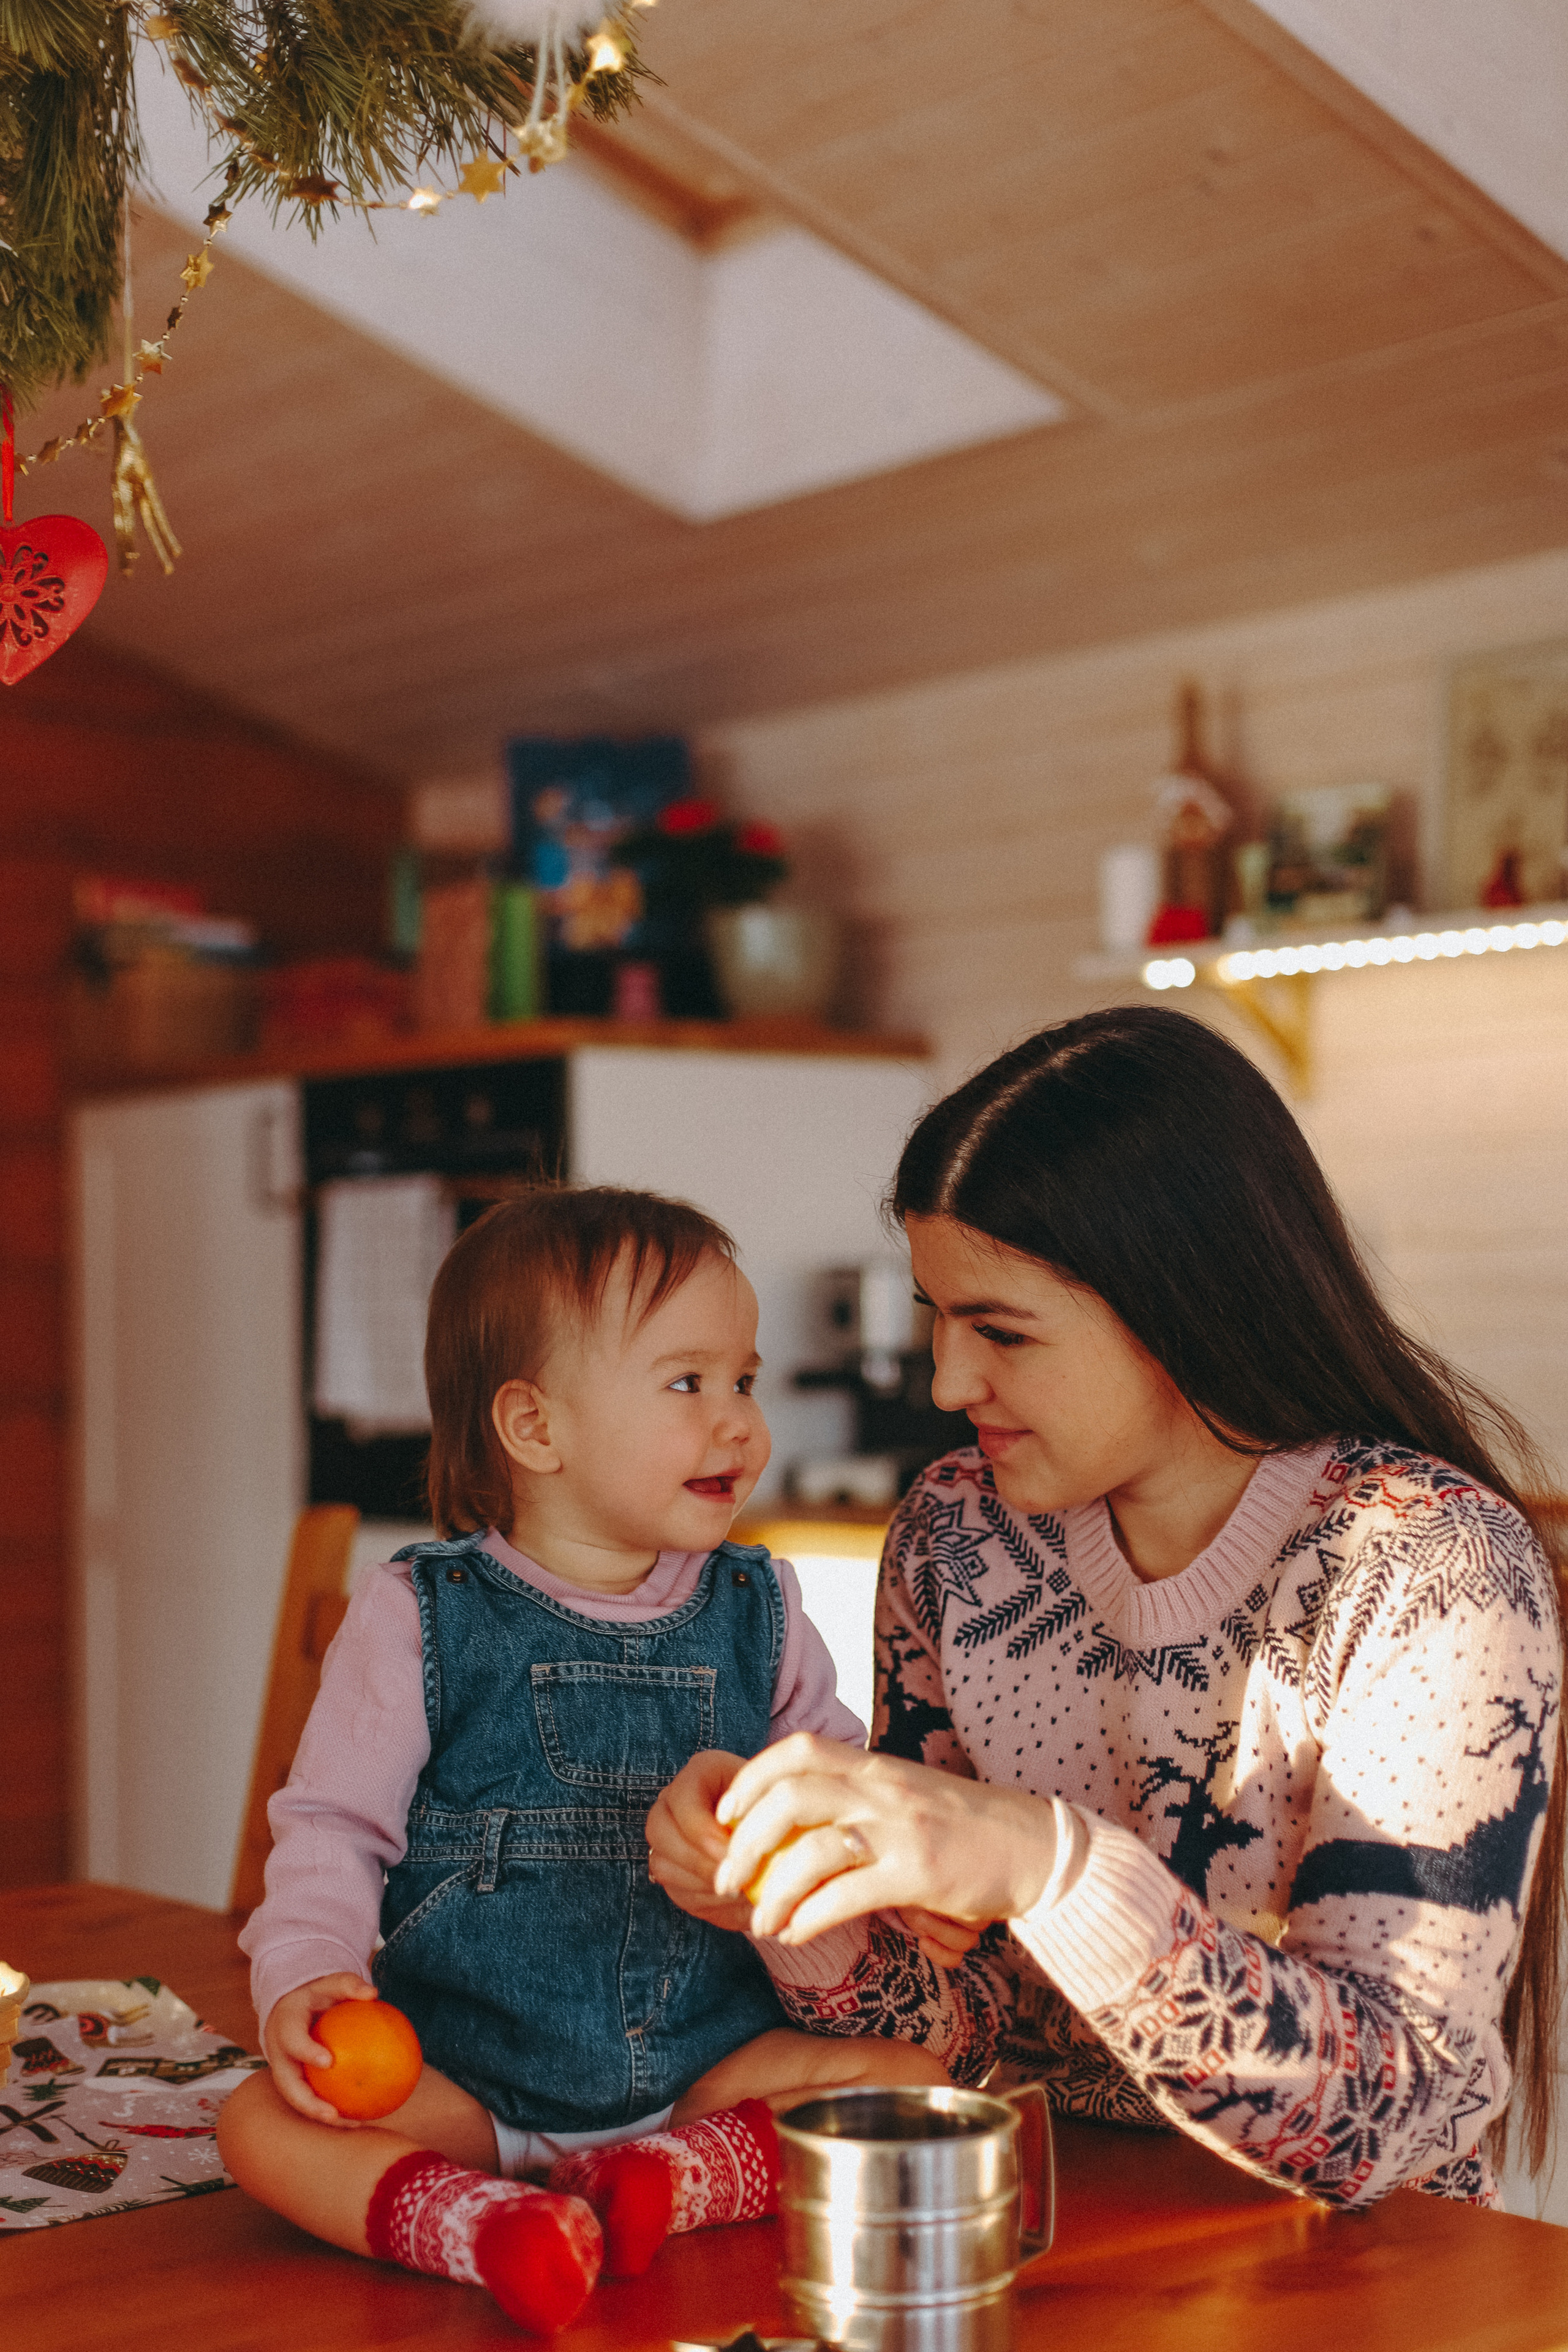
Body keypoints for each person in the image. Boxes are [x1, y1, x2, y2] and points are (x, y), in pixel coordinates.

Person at [648, 1007, 1566, 2211]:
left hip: (1352, 2278)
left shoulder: (1428, 1568)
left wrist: (1051, 1869)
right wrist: (781, 1895)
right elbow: (945, 2024)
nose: (945, 1380)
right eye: (936, 1314)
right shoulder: (958, 1536)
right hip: (1041, 2231)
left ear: (1179, 1300)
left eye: (1001, 1331)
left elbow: (1381, 2117)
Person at [218, 1185, 946, 2336]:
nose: (739, 1422)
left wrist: (851, 1851)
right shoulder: (425, 1612)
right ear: (535, 1429)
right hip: (467, 2087)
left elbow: (845, 1793)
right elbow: (331, 1831)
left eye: (745, 1381)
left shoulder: (759, 1606)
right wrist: (305, 1977)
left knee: (919, 2091)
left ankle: (663, 2183)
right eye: (687, 1383)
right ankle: (484, 2225)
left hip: (705, 2077)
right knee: (258, 2122)